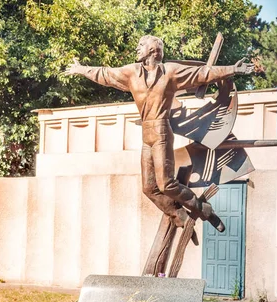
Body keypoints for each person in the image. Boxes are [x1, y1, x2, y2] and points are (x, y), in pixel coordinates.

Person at [64, 35, 253, 231]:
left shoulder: (170, 72)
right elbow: (104, 74)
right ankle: (178, 215)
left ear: (153, 50)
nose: (137, 48)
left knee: (166, 184)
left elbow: (202, 73)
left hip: (162, 131)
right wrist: (81, 70)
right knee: (148, 187)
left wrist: (233, 69)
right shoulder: (131, 72)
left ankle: (203, 209)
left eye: (141, 45)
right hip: (147, 135)